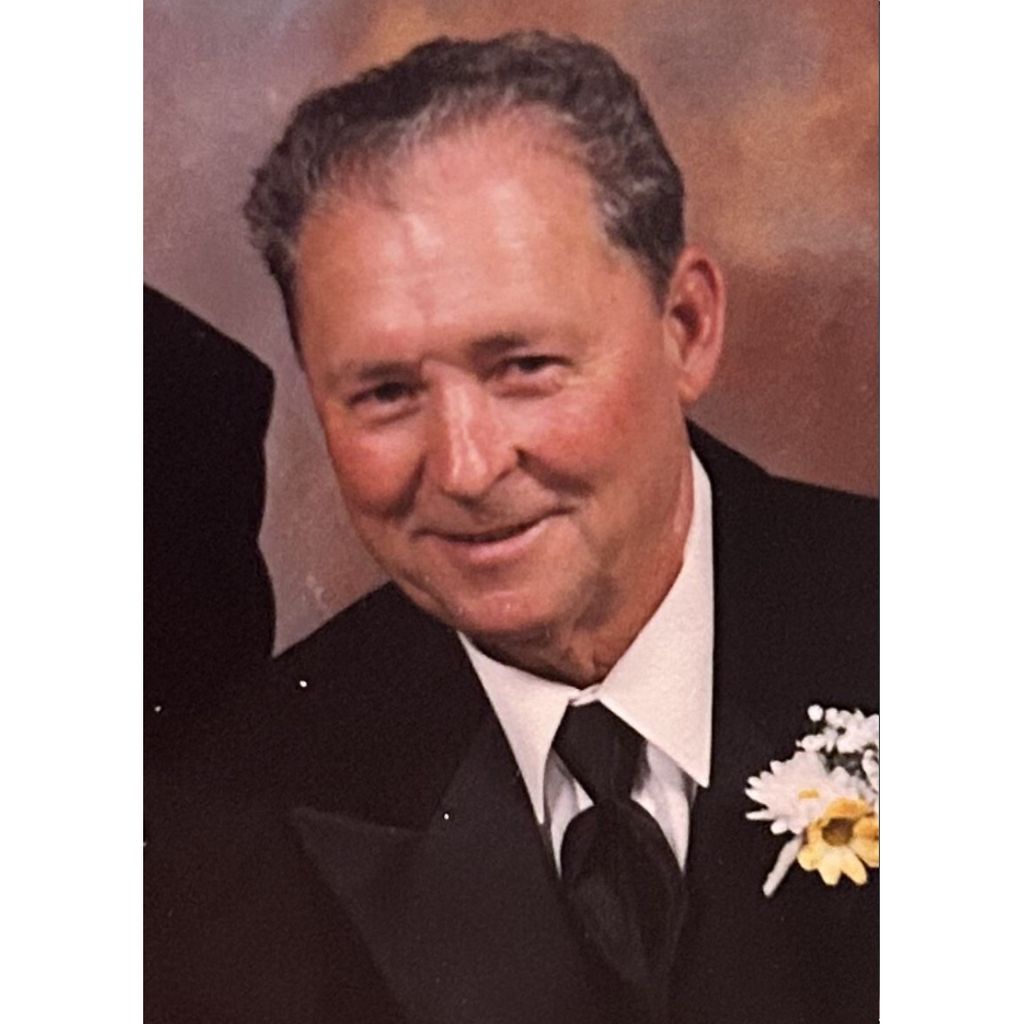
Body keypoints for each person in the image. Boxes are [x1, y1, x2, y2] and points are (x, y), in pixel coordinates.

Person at [145, 31, 877, 1024]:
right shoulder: (215, 833)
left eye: (524, 366)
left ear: (687, 327)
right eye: (384, 392)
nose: (464, 466)